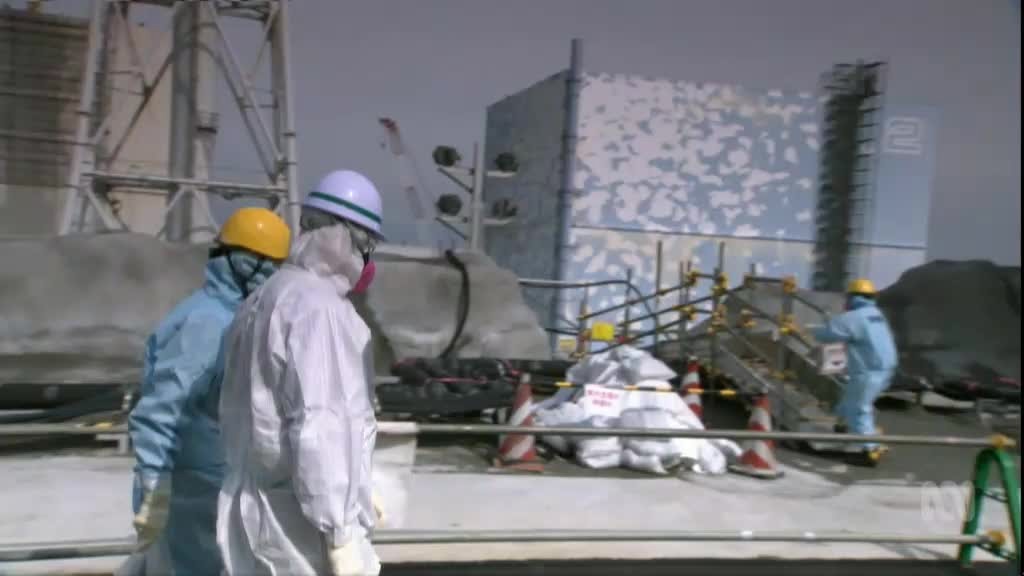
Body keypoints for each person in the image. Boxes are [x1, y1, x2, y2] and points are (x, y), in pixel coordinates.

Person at [217, 170, 385, 576]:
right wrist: (340, 529)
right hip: (300, 524)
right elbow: (323, 424)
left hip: (251, 504)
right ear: (347, 236)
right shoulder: (321, 310)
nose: (366, 259)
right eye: (366, 246)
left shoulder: (263, 297)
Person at [126, 207, 291, 575]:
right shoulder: (207, 322)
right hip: (188, 490)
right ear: (233, 260)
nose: (267, 274)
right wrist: (155, 487)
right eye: (259, 262)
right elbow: (162, 409)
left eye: (274, 266)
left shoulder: (232, 318)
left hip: (208, 487)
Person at [812, 278, 898, 467]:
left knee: (858, 409)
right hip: (885, 368)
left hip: (868, 371)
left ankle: (870, 450)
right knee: (852, 399)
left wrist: (811, 331)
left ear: (853, 297)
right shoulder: (876, 314)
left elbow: (828, 333)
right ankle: (842, 425)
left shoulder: (854, 317)